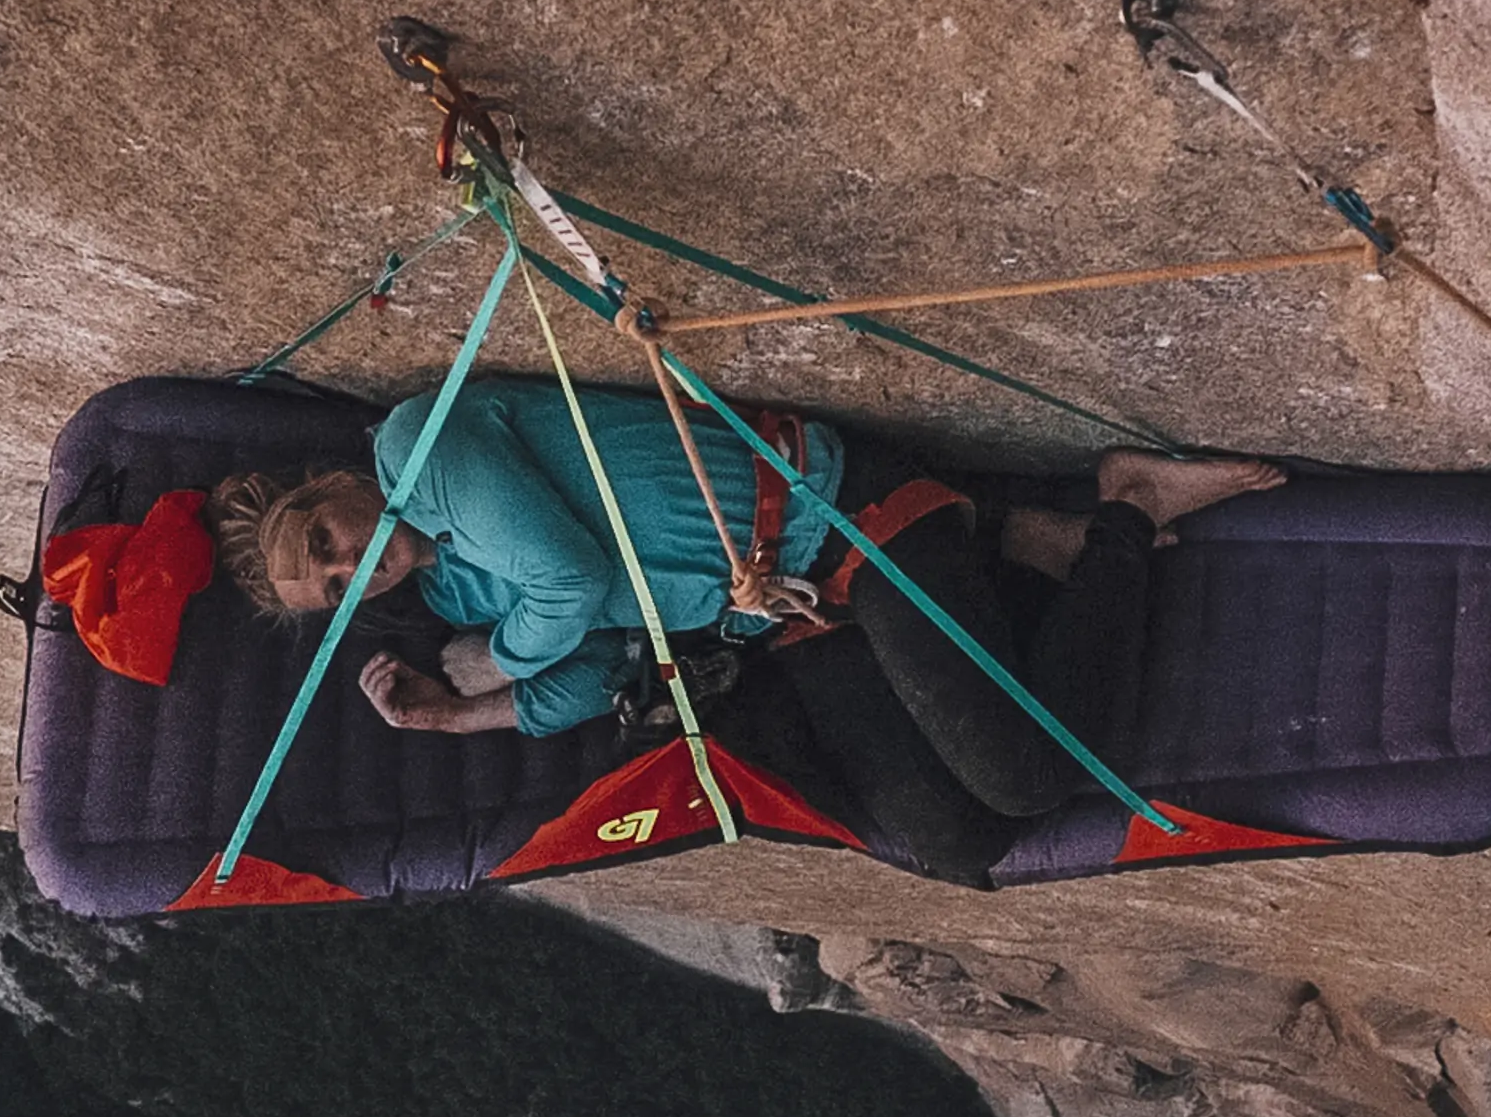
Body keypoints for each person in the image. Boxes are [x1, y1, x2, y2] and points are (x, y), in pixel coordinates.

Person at [209, 377, 1280, 884]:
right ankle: (1002, 549)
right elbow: (600, 671)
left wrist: (491, 664)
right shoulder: (457, 592)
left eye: (324, 538)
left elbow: (570, 580)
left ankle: (1125, 510)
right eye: (337, 586)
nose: (353, 561)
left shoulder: (418, 450)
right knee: (957, 844)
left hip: (835, 511)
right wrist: (462, 723)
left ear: (329, 485)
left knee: (1027, 772)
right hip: (799, 613)